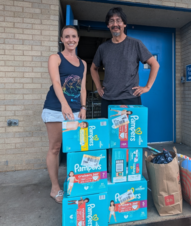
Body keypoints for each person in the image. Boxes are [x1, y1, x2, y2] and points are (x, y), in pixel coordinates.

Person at [41, 25, 87, 204]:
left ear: (78, 39)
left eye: (73, 36)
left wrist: (83, 107)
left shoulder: (82, 63)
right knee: (55, 147)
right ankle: (54, 188)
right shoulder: (55, 58)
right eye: (66, 37)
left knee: (74, 148)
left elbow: (82, 87)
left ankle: (73, 182)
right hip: (55, 109)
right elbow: (55, 82)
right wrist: (64, 105)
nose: (70, 40)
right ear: (61, 39)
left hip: (75, 111)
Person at [90, 7, 159, 118]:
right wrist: (98, 87)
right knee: (109, 134)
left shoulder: (136, 44)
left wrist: (147, 87)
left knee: (130, 134)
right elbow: (93, 68)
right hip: (108, 99)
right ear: (108, 25)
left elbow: (155, 64)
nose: (115, 24)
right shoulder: (102, 48)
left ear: (124, 24)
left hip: (130, 99)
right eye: (111, 21)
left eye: (118, 20)